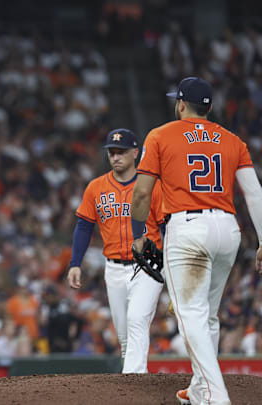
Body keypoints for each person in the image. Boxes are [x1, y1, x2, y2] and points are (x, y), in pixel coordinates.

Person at [131, 77, 262, 405]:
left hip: (188, 228)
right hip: (228, 230)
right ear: (210, 108)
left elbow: (143, 192)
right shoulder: (234, 140)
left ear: (180, 104)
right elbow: (254, 193)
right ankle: (200, 390)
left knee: (190, 315)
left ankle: (218, 398)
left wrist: (140, 231)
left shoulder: (160, 135)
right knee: (209, 315)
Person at [67, 128, 166, 373]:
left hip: (148, 265)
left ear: (136, 153)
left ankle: (135, 381)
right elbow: (83, 226)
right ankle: (133, 384)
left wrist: (173, 264)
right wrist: (75, 263)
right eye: (112, 152)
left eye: (121, 152)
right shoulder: (96, 187)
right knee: (123, 336)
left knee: (136, 321)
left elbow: (166, 226)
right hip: (113, 268)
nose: (116, 157)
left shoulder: (152, 186)